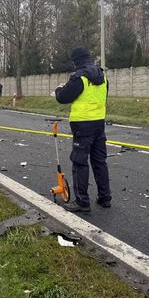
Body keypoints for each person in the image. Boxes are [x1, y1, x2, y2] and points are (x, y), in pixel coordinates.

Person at [55, 46, 111, 212]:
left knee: (80, 162)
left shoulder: (79, 77)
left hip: (82, 126)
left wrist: (58, 89)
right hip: (99, 124)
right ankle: (105, 197)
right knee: (99, 161)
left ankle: (82, 202)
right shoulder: (103, 77)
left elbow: (63, 97)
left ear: (76, 62)